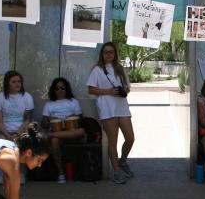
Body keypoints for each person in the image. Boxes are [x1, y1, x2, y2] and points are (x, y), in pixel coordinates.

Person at [87, 42, 135, 184]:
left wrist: (123, 90)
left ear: (115, 54)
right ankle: (116, 171)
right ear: (102, 54)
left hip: (121, 106)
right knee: (113, 142)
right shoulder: (97, 70)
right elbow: (91, 90)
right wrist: (108, 91)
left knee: (130, 138)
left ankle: (123, 161)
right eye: (106, 52)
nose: (108, 54)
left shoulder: (120, 69)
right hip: (107, 108)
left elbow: (127, 88)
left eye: (111, 52)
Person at [0, 70, 34, 184]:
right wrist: (7, 135)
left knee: (24, 141)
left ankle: (21, 173)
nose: (17, 84)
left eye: (19, 81)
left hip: (22, 130)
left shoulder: (27, 97)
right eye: (13, 82)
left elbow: (28, 119)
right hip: (5, 131)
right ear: (7, 84)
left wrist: (17, 134)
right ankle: (0, 174)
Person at [42, 77, 85, 184]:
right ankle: (61, 172)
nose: (60, 90)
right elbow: (44, 124)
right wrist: (49, 121)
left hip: (72, 132)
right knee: (54, 141)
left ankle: (51, 134)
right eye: (57, 88)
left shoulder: (73, 102)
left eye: (62, 88)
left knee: (81, 131)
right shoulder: (49, 104)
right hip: (57, 132)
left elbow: (81, 120)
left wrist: (74, 117)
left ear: (67, 89)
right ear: (53, 90)